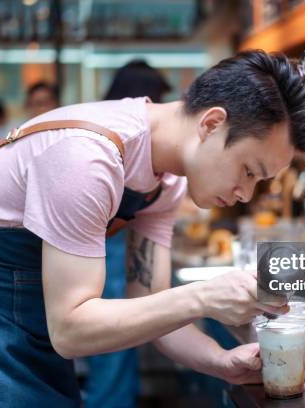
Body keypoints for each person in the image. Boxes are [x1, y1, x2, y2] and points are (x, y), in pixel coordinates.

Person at [0, 50, 305, 406]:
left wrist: (220, 362)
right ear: (211, 124)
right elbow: (71, 329)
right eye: (248, 171)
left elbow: (153, 308)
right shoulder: (86, 158)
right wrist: (203, 296)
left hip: (35, 335)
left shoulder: (164, 182)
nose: (245, 193)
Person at [85, 59, 172, 408]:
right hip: (107, 258)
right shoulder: (112, 146)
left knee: (117, 345)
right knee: (113, 347)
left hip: (111, 256)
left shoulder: (107, 129)